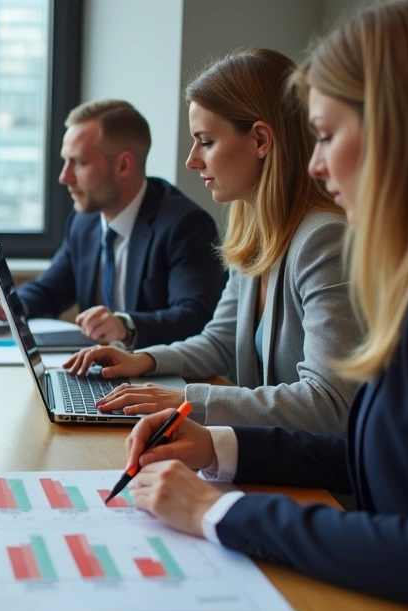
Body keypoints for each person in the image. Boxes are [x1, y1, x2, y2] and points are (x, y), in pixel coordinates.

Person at [121, 3, 408, 611]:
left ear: (402, 131)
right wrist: (220, 446)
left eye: (329, 135)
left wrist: (221, 514)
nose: (313, 162)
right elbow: (381, 459)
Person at [63, 49, 360, 434]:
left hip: (328, 482)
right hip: (273, 452)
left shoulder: (323, 239)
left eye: (205, 141)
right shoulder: (256, 233)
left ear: (260, 139)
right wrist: (143, 361)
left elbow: (329, 404)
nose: (191, 160)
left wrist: (187, 400)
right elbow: (219, 342)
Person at [0, 100, 224, 349]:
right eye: (65, 161)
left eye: (78, 162)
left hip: (161, 378)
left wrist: (126, 326)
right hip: (102, 371)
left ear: (123, 165)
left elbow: (196, 318)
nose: (64, 177)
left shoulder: (185, 225)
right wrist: (9, 306)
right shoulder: (84, 221)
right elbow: (51, 290)